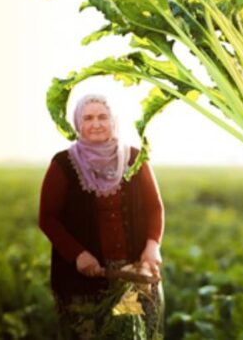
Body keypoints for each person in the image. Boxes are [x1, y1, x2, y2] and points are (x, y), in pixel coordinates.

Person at [39, 94, 165, 339]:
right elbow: (48, 218)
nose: (96, 123)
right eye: (88, 118)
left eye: (102, 117)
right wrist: (78, 254)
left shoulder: (134, 158)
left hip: (131, 274)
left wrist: (152, 246)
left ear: (113, 121)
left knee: (129, 332)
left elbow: (154, 207)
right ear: (78, 124)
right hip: (83, 279)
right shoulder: (63, 164)